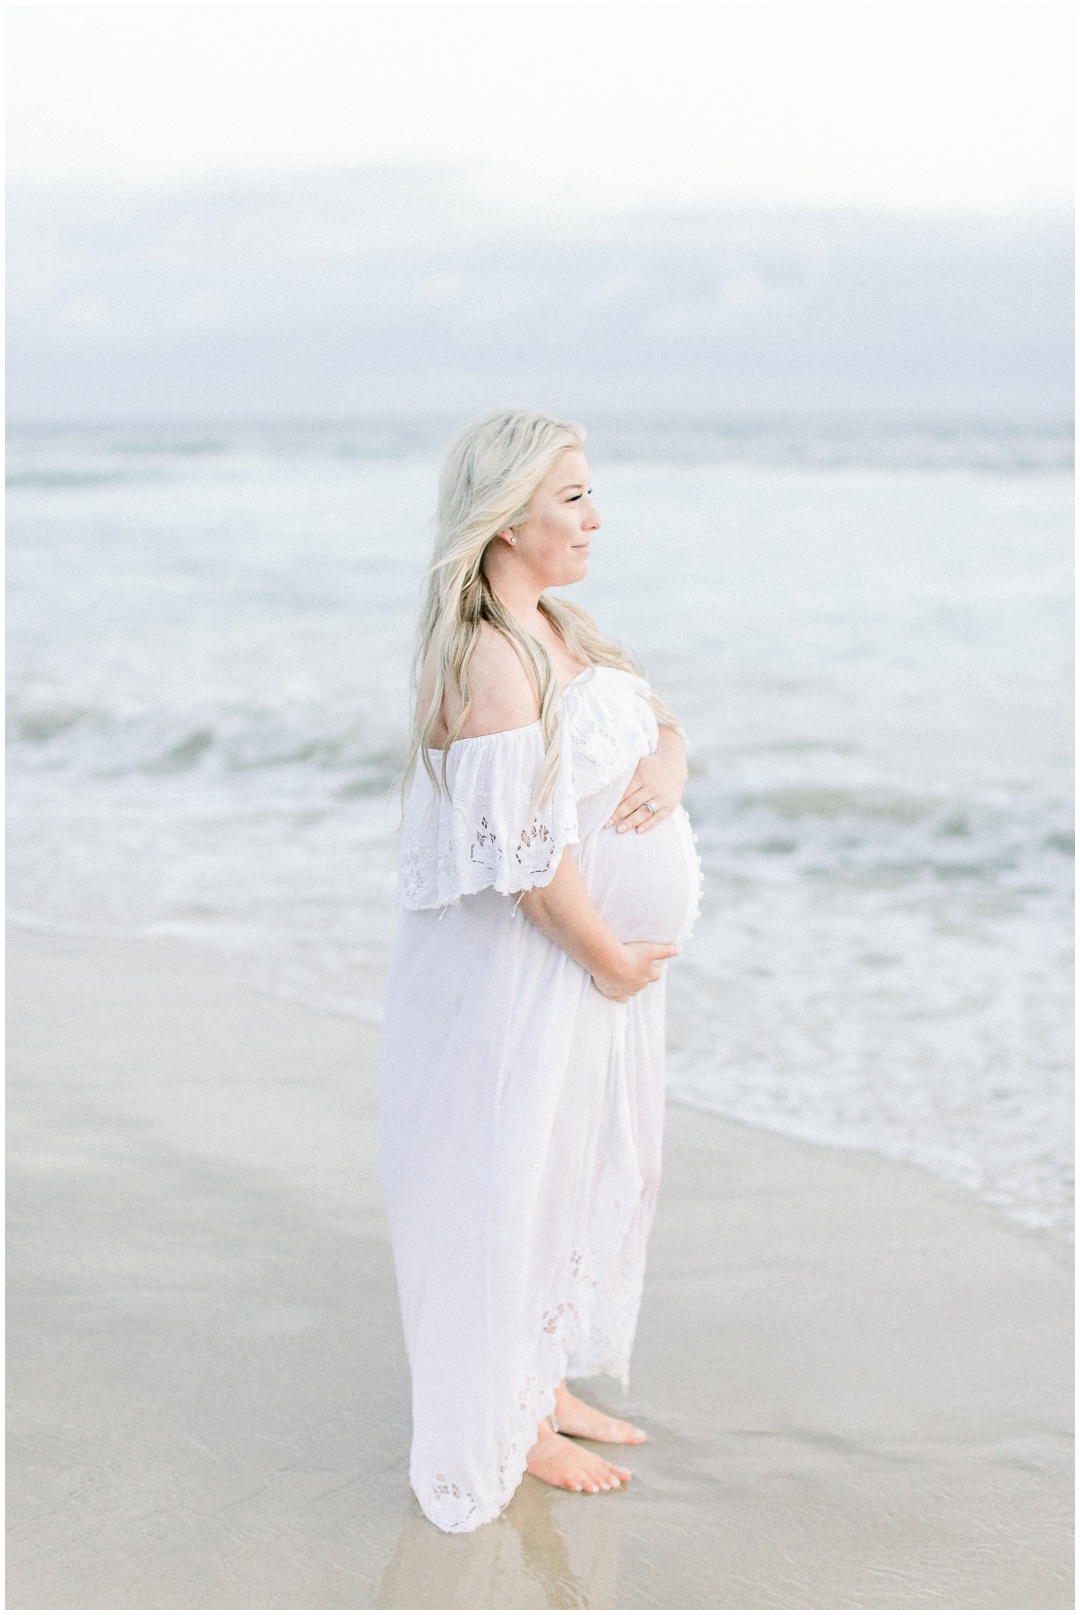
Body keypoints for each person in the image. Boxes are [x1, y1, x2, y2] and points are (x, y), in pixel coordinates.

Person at [378, 409, 701, 1532]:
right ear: (506, 513)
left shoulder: (562, 622)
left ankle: (543, 1379)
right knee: (509, 1177)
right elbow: (525, 859)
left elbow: (657, 718)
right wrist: (611, 953)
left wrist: (665, 759)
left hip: (583, 977)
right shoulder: (488, 655)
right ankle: (505, 1421)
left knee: (575, 1169)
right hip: (532, 970)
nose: (595, 515)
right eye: (571, 496)